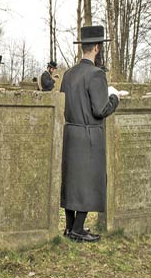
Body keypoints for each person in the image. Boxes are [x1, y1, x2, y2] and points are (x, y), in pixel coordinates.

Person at [60, 26, 124, 242]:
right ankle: (78, 229)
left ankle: (69, 228)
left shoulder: (68, 74)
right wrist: (114, 97)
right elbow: (100, 110)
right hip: (89, 135)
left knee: (71, 182)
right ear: (97, 48)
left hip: (70, 132)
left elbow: (63, 104)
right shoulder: (96, 74)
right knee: (88, 182)